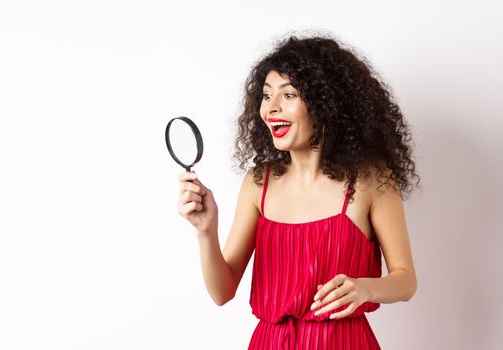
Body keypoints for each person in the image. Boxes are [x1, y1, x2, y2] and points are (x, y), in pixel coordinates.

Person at [177, 34, 419, 349]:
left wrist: (366, 289)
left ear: (325, 104)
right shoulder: (257, 184)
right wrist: (206, 231)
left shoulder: (370, 181)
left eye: (289, 95)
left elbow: (406, 280)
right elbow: (222, 292)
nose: (271, 108)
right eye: (266, 95)